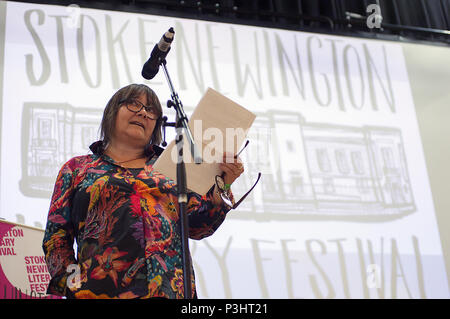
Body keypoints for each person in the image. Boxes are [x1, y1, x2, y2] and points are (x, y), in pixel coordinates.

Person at [42, 83, 244, 299]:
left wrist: (224, 182)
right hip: (98, 293)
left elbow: (199, 227)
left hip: (168, 292)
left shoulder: (173, 167)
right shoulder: (77, 169)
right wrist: (72, 284)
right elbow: (57, 239)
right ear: (112, 112)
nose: (142, 112)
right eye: (133, 103)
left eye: (151, 110)